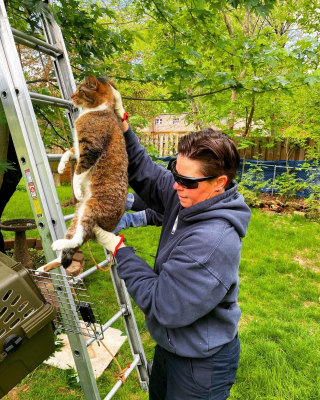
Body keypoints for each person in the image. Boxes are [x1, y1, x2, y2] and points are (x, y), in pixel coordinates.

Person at [94, 89, 251, 400]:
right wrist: (123, 126)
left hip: (200, 364)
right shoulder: (190, 197)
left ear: (219, 182)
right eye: (175, 174)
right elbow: (148, 174)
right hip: (173, 345)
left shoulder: (212, 242)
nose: (176, 185)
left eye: (187, 181)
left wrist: (120, 250)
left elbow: (163, 304)